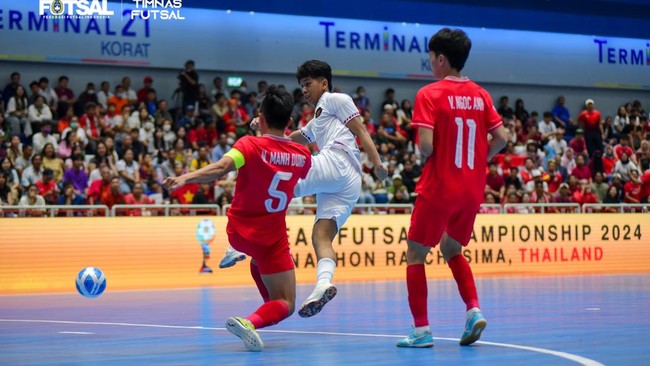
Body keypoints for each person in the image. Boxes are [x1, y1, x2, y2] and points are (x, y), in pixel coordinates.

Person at [221, 60, 388, 318]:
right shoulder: (319, 117)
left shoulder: (335, 99)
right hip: (348, 182)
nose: (304, 90)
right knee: (321, 235)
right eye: (301, 85)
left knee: (280, 183)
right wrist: (265, 124)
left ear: (324, 83)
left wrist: (377, 163)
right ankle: (323, 284)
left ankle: (241, 245)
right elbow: (292, 137)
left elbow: (361, 130)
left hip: (338, 162)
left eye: (308, 84)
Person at [163, 86, 312, 351]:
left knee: (258, 262)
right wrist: (271, 129)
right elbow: (284, 147)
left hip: (240, 233)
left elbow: (221, 168)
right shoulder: (302, 157)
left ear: (260, 117)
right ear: (289, 121)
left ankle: (240, 257)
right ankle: (251, 321)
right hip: (272, 239)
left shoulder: (248, 145)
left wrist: (184, 178)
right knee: (285, 303)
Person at [396, 28, 507, 348]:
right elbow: (502, 139)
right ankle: (473, 310)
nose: (430, 62)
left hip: (439, 186)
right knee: (451, 249)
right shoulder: (481, 94)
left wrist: (424, 145)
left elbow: (427, 148)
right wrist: (477, 158)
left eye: (431, 57)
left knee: (416, 254)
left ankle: (421, 330)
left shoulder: (429, 94)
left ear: (441, 59)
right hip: (472, 189)